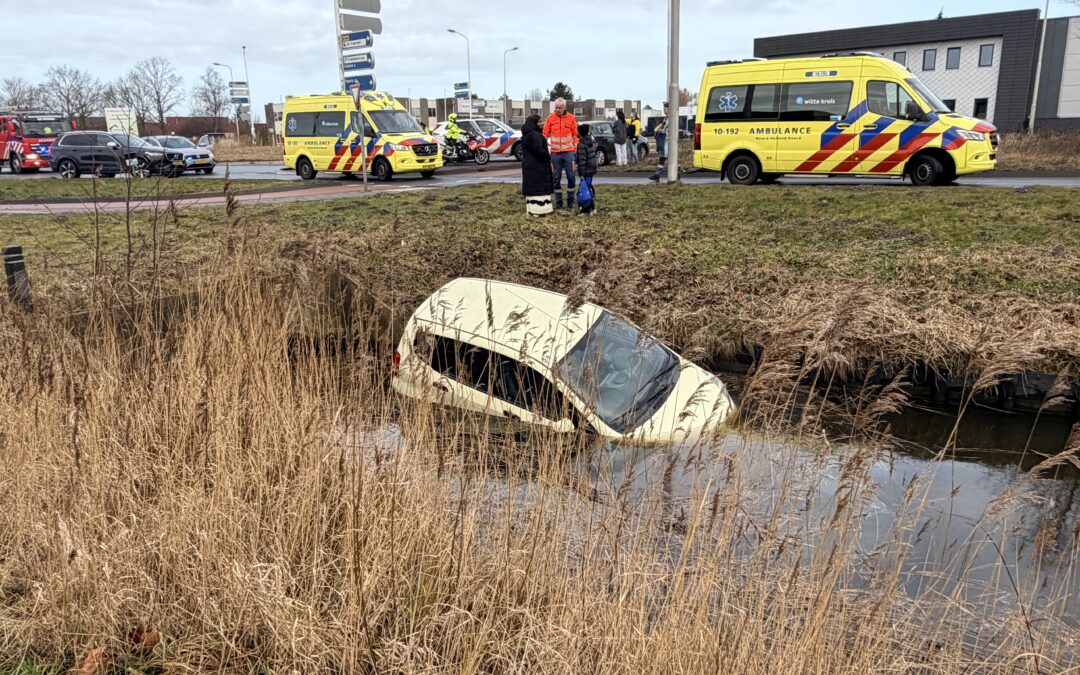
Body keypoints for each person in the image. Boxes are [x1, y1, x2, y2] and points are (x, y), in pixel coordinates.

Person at [542, 98, 579, 209]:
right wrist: (541, 145)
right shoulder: (551, 118)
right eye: (556, 107)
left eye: (560, 108)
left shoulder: (571, 118)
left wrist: (575, 147)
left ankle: (570, 199)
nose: (557, 110)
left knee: (571, 177)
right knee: (556, 177)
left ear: (564, 107)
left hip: (569, 153)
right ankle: (558, 201)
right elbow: (545, 134)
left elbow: (575, 135)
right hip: (555, 153)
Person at [520, 114, 554, 216]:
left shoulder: (526, 134)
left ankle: (531, 209)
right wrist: (547, 156)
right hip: (538, 166)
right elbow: (539, 150)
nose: (542, 124)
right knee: (539, 188)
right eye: (539, 122)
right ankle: (540, 210)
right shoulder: (535, 135)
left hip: (528, 166)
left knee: (532, 188)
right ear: (534, 123)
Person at [576, 123, 598, 215]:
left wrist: (581, 173)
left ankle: (587, 208)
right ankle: (592, 207)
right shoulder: (590, 142)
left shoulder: (581, 145)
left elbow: (582, 160)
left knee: (585, 189)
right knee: (589, 187)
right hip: (591, 169)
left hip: (585, 171)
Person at [649, 103, 670, 182]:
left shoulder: (672, 118)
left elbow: (667, 128)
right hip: (665, 139)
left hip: (669, 140)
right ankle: (657, 175)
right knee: (663, 157)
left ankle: (675, 173)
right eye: (663, 109)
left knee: (666, 157)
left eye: (665, 109)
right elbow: (662, 125)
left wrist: (661, 130)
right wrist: (657, 128)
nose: (664, 110)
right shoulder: (666, 118)